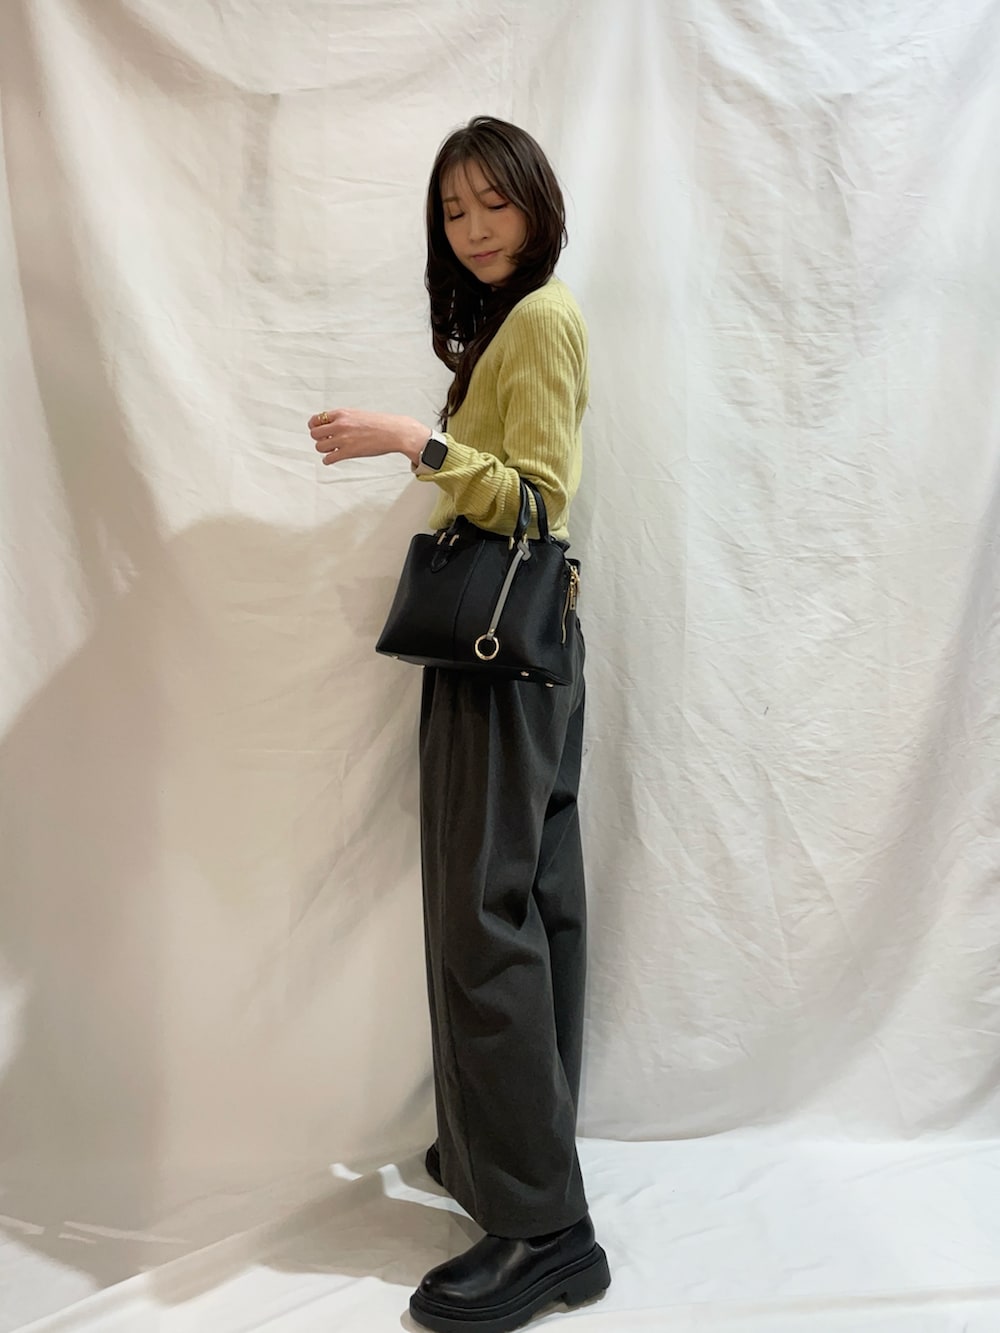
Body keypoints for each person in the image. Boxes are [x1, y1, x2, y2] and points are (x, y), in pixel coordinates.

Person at [308, 115, 609, 1333]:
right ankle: (508, 1161)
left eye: (494, 202)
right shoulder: (514, 320)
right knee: (528, 904)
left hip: (501, 650)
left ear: (536, 202)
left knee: (484, 917)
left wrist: (412, 439)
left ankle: (543, 1229)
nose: (474, 227)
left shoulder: (539, 319)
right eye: (452, 210)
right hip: (518, 651)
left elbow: (537, 496)